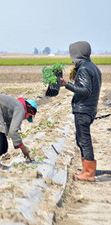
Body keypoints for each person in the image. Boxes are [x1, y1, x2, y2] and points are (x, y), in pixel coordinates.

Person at [60, 41, 102, 182]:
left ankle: (89, 173)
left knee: (84, 140)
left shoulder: (84, 68)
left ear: (77, 54)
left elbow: (85, 90)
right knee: (81, 140)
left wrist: (67, 85)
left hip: (83, 110)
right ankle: (85, 169)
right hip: (89, 108)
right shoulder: (92, 67)